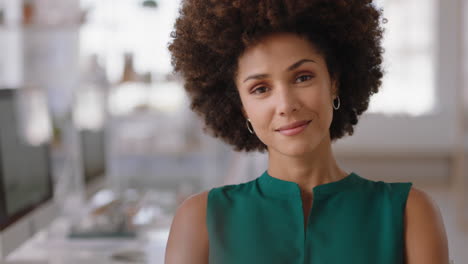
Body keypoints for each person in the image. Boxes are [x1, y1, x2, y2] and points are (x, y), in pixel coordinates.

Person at [164, 0, 450, 263]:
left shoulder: (410, 213)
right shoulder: (199, 219)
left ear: (334, 82)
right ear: (242, 108)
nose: (286, 105)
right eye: (260, 89)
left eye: (303, 77)